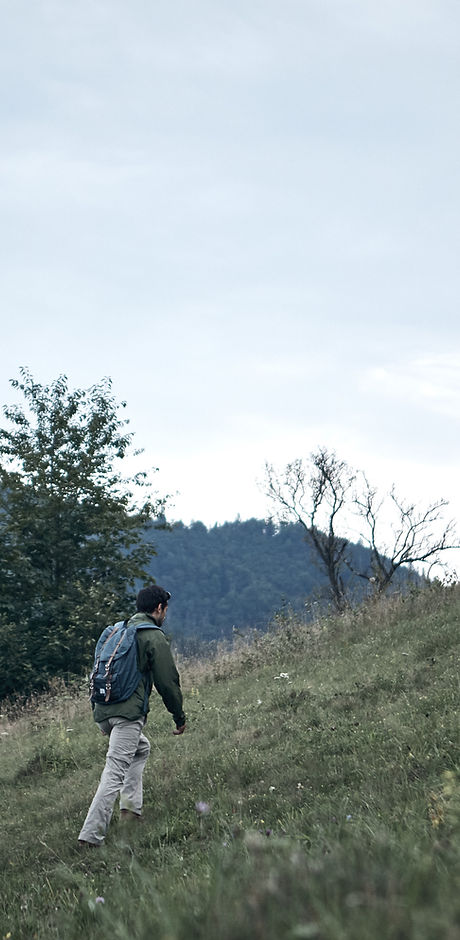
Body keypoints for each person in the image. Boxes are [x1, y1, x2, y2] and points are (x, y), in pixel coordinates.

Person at [78, 584, 186, 847]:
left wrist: (100, 715)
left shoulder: (116, 631)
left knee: (141, 749)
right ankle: (90, 837)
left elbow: (97, 672)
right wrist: (179, 716)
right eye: (165, 610)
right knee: (114, 771)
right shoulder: (151, 635)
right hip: (128, 714)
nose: (165, 615)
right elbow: (168, 681)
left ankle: (130, 812)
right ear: (159, 608)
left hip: (105, 709)